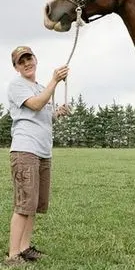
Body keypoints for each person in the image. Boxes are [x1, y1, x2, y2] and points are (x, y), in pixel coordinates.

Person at [4, 46, 70, 267]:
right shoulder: (17, 85)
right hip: (25, 150)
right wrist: (55, 81)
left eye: (28, 58)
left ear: (35, 59)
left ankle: (25, 249)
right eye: (21, 61)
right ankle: (13, 255)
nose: (26, 63)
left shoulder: (40, 87)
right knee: (24, 204)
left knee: (33, 205)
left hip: (43, 152)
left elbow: (44, 114)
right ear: (16, 67)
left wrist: (57, 112)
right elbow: (36, 104)